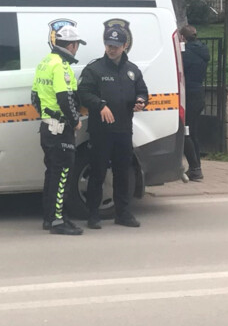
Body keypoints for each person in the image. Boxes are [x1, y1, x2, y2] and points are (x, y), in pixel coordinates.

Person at [78, 25, 148, 229]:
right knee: (98, 173)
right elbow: (83, 93)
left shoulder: (132, 70)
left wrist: (141, 100)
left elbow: (142, 91)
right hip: (101, 132)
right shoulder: (95, 69)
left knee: (122, 173)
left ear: (125, 46)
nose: (112, 49)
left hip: (123, 130)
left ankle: (123, 214)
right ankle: (93, 215)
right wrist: (100, 105)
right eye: (109, 45)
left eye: (116, 46)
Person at [32, 24, 86, 235]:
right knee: (62, 174)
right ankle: (57, 220)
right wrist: (75, 121)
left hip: (47, 126)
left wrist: (46, 116)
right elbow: (65, 98)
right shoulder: (61, 66)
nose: (76, 49)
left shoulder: (44, 62)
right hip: (60, 127)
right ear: (71, 45)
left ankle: (51, 218)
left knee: (52, 174)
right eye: (77, 46)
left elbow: (35, 96)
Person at [179, 25, 209, 182]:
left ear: (183, 38)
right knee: (193, 132)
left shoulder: (185, 54)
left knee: (185, 132)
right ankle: (196, 167)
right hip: (199, 94)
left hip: (188, 95)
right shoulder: (203, 51)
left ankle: (195, 169)